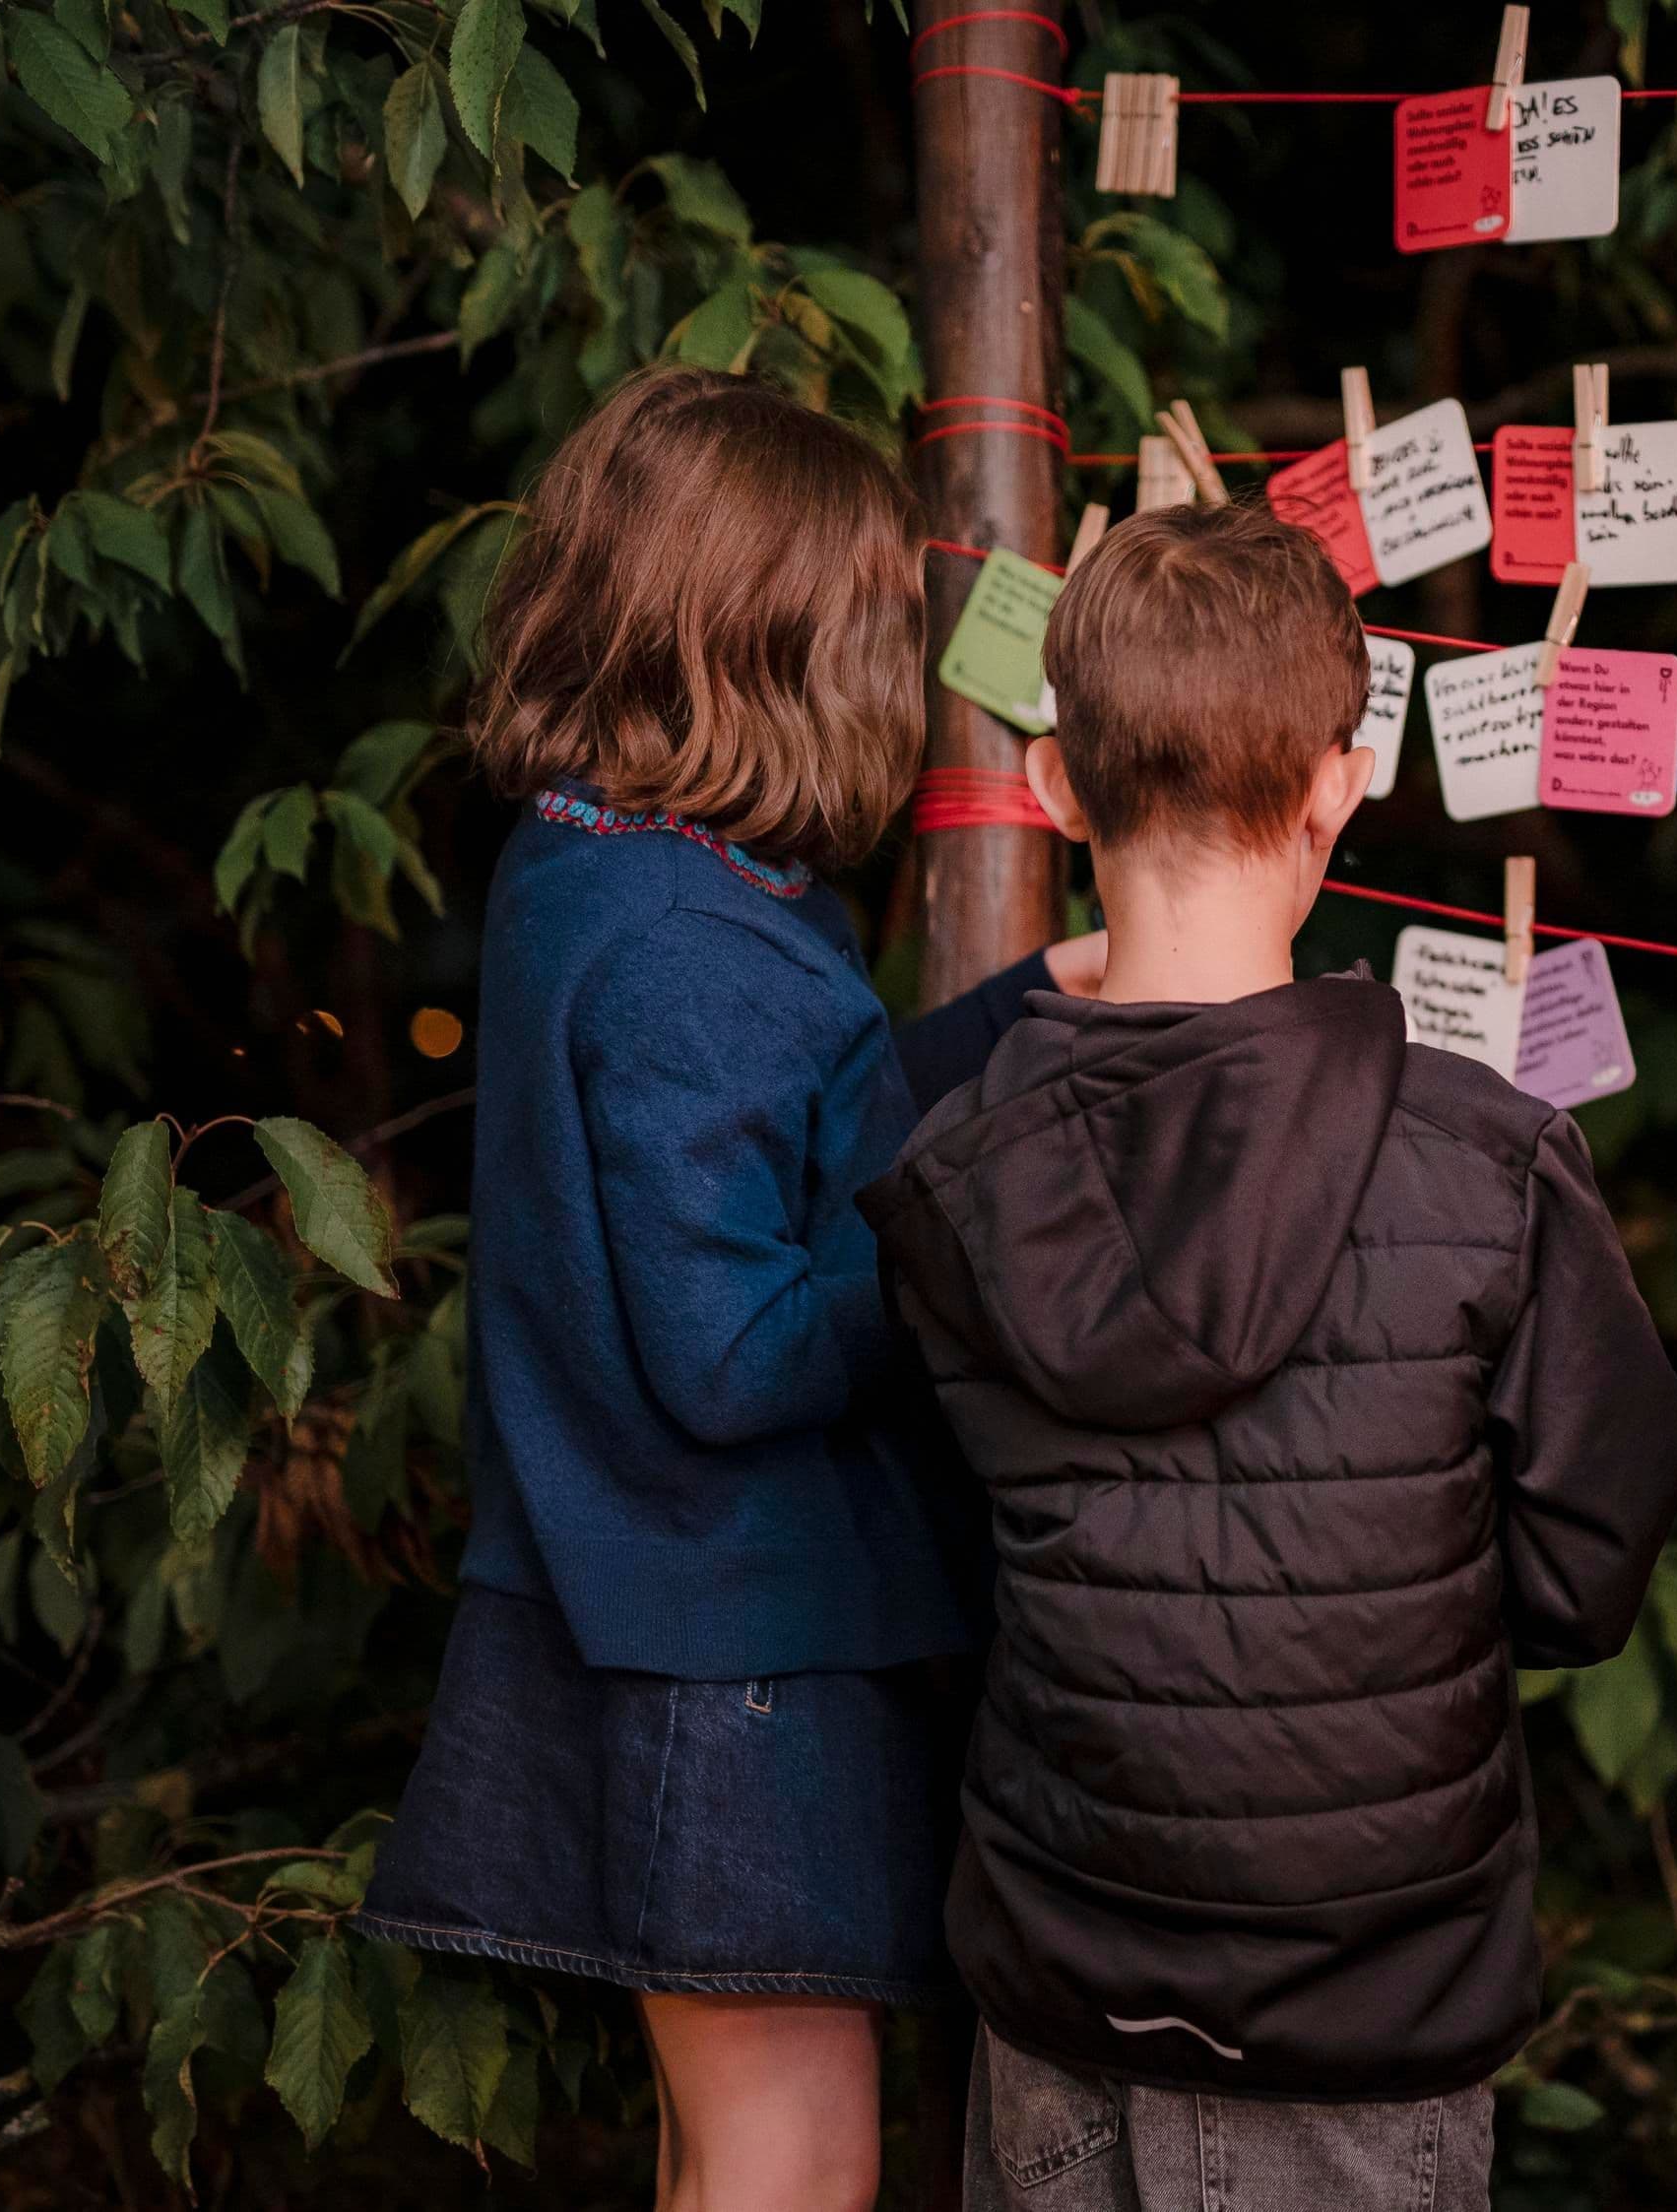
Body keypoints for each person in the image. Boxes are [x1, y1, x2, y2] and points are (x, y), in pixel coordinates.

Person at [857, 501, 1677, 2211]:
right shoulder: (1492, 1161)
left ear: (1057, 788)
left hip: (1063, 1984)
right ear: (1339, 783)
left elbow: (952, 1561)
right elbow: (1590, 1566)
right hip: (1367, 2003)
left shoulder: (952, 1179)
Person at [356, 366, 1093, 2212]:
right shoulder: (695, 947)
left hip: (670, 1616)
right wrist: (964, 1251)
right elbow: (732, 1347)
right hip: (735, 1647)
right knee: (789, 2162)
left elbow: (798, 1128)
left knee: (722, 2155)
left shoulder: (600, 872)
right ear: (787, 643)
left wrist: (1018, 1020)